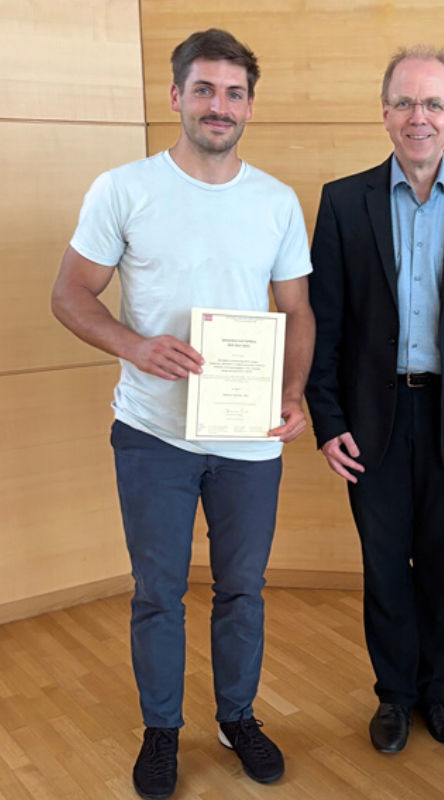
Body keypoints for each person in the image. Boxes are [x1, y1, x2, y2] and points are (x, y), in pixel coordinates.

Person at [51, 29, 314, 800]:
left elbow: (296, 309)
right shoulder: (123, 188)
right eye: (203, 89)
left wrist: (292, 394)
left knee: (242, 587)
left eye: (233, 92)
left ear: (249, 106)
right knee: (157, 591)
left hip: (247, 440)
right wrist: (133, 344)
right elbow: (70, 294)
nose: (218, 105)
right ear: (175, 96)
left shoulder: (275, 200)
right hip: (151, 433)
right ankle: (161, 731)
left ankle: (237, 717)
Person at [305, 45, 444, 753]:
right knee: (382, 561)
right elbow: (324, 320)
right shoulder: (343, 200)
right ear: (385, 113)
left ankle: (437, 690)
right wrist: (327, 419)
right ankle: (394, 696)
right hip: (372, 420)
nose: (417, 117)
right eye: (403, 102)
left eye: (432, 104)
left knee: (442, 561)